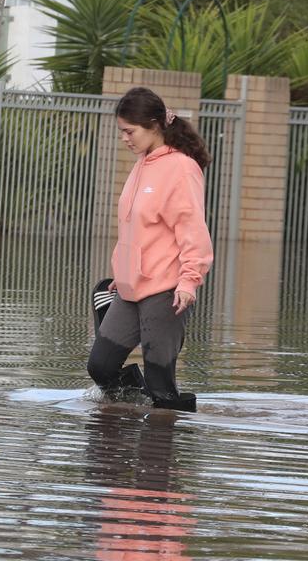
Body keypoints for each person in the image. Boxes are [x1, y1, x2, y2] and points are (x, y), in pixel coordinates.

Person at [87, 87, 213, 413]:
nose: (125, 139)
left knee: (162, 389)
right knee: (100, 367)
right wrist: (123, 273)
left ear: (155, 125)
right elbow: (134, 228)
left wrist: (189, 282)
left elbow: (192, 231)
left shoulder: (181, 168)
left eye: (130, 131)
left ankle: (164, 451)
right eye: (122, 132)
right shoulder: (142, 164)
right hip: (131, 290)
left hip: (166, 291)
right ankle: (130, 415)